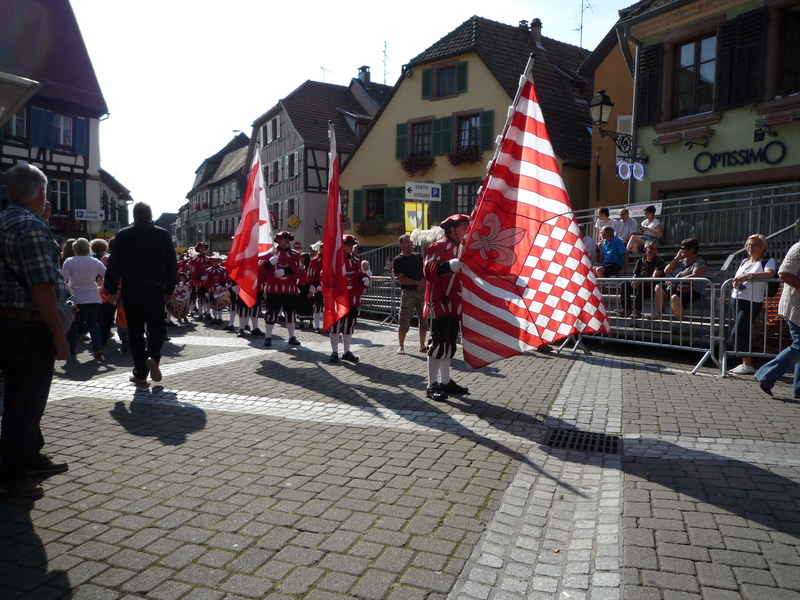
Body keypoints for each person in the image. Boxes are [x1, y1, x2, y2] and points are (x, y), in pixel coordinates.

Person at [0, 164, 70, 498]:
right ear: (42, 192)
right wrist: (59, 334)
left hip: (9, 322)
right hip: (29, 325)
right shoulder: (31, 226)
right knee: (26, 403)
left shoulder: (5, 220)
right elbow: (41, 286)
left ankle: (30, 456)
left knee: (17, 396)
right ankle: (12, 475)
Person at [104, 202, 178, 385]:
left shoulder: (124, 234)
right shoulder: (163, 234)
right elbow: (171, 263)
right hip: (155, 288)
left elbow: (114, 264)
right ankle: (154, 356)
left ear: (134, 216)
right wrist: (170, 289)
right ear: (150, 215)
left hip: (131, 288)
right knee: (157, 326)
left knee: (135, 330)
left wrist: (112, 289)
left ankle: (140, 372)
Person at [423, 214, 471, 401]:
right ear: (452, 229)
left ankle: (445, 381)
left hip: (454, 304)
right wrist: (448, 266)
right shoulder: (437, 247)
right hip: (439, 304)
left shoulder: (463, 249)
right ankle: (432, 384)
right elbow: (429, 271)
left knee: (450, 344)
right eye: (464, 228)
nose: (468, 231)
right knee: (438, 344)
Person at [757, 221, 800, 396]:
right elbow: (784, 273)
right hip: (795, 306)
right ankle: (766, 374)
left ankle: (798, 389)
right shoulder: (798, 248)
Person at [728, 235, 776, 375]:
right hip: (736, 298)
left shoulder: (767, 261)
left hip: (752, 302)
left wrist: (748, 276)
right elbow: (739, 276)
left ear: (762, 247)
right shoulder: (744, 261)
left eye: (755, 244)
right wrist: (737, 281)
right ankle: (745, 363)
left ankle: (747, 363)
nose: (750, 247)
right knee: (743, 332)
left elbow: (770, 274)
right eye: (749, 244)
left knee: (737, 332)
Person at [61, 237, 107, 358]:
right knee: (93, 324)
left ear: (75, 249)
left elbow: (63, 279)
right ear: (88, 249)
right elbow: (107, 274)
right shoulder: (95, 261)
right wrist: (102, 287)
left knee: (73, 326)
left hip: (75, 298)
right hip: (92, 297)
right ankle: (98, 348)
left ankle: (71, 351)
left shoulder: (69, 261)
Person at [328, 235, 369, 363]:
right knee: (335, 326)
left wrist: (365, 278)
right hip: (338, 299)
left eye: (352, 245)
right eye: (348, 245)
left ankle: (346, 352)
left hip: (352, 299)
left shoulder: (356, 261)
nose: (351, 247)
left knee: (349, 326)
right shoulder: (333, 261)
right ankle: (334, 352)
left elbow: (360, 273)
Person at [259, 231, 304, 347]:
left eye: (288, 238)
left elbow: (299, 270)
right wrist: (269, 263)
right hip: (273, 290)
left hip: (290, 290)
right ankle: (268, 337)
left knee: (290, 313)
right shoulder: (270, 253)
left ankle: (292, 337)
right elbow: (261, 269)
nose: (287, 240)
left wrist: (286, 271)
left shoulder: (295, 254)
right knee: (271, 313)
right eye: (284, 238)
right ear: (278, 240)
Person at [654, 237, 706, 320]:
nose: (681, 250)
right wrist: (676, 258)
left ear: (691, 250)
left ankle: (679, 323)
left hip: (693, 290)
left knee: (675, 297)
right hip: (677, 287)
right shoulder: (681, 261)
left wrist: (675, 280)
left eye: (683, 248)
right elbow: (667, 271)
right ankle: (658, 313)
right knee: (658, 287)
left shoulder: (699, 262)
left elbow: (696, 276)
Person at [393, 234, 428, 355]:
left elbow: (425, 272)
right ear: (400, 244)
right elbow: (401, 279)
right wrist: (417, 283)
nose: (409, 244)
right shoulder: (398, 260)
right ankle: (401, 346)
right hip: (408, 293)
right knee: (404, 320)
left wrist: (423, 283)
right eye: (406, 242)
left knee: (424, 319)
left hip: (421, 292)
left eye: (410, 241)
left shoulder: (418, 257)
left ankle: (422, 345)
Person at [617, 239, 665, 317]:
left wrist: (640, 281)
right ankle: (626, 309)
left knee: (642, 285)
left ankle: (637, 311)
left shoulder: (660, 261)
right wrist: (633, 281)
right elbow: (635, 275)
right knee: (624, 284)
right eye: (651, 248)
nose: (654, 251)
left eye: (656, 249)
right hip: (640, 286)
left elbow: (655, 277)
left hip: (653, 288)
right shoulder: (640, 261)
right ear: (645, 249)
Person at [189, 242, 212, 320]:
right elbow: (193, 272)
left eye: (204, 247)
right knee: (201, 298)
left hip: (208, 282)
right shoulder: (194, 260)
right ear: (198, 249)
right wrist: (200, 277)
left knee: (208, 298)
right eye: (201, 248)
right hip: (200, 282)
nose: (203, 249)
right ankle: (200, 313)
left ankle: (208, 313)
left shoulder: (209, 259)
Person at [307, 242, 324, 333]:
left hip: (328, 288)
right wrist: (317, 285)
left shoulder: (330, 259)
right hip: (318, 287)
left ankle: (326, 326)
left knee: (327, 308)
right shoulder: (315, 260)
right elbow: (311, 275)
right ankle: (316, 326)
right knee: (318, 306)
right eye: (322, 247)